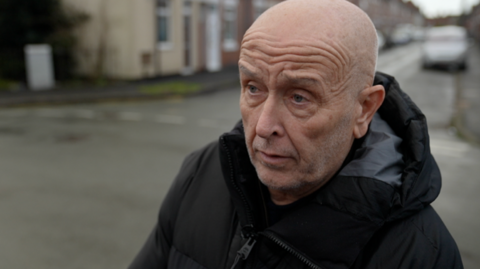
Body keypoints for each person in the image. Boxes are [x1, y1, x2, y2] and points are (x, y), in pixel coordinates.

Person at [129, 0, 463, 268]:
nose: (263, 126)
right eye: (254, 88)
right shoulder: (201, 172)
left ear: (363, 110)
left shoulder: (420, 251)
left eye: (299, 97)